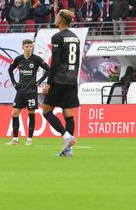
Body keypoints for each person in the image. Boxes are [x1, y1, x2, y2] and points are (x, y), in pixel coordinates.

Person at [41, 9, 80, 157]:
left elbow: (55, 62)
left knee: (46, 111)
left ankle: (66, 137)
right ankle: (68, 149)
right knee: (68, 113)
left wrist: (49, 83)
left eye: (57, 16)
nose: (55, 18)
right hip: (71, 80)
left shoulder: (57, 37)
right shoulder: (75, 37)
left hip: (59, 80)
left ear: (62, 20)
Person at [6, 39, 50, 146]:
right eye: (27, 46)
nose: (29, 48)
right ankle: (15, 139)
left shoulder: (36, 59)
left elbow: (48, 69)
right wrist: (14, 83)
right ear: (23, 47)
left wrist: (39, 82)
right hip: (20, 91)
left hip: (31, 91)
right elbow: (10, 70)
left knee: (31, 113)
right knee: (15, 113)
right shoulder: (18, 59)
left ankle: (29, 139)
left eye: (30, 46)